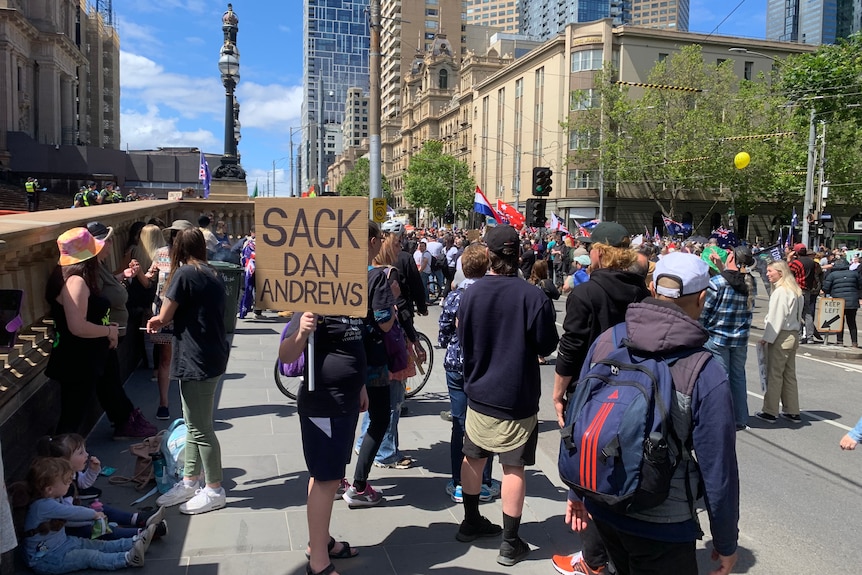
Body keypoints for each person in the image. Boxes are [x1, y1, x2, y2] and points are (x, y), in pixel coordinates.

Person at [564, 252, 739, 575]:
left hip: (604, 500)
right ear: (702, 298)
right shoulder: (704, 370)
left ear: (652, 288)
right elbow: (719, 468)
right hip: (664, 520)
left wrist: (577, 491)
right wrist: (725, 541)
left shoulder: (610, 339)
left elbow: (581, 415)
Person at [455, 225, 559, 566]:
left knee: (473, 457)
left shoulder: (470, 294)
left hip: (479, 392)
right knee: (513, 468)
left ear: (489, 255)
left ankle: (471, 521)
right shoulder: (533, 297)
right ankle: (509, 542)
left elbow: (463, 339)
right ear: (519, 255)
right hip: (517, 395)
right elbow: (547, 345)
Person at [552, 222, 649, 575]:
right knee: (625, 469)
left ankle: (592, 560)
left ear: (600, 252)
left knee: (592, 474)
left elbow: (572, 346)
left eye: (591, 247)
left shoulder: (587, 293)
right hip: (637, 392)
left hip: (593, 393)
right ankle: (611, 552)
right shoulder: (642, 291)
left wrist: (558, 392)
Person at [147, 228, 230, 515]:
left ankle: (214, 488)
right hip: (211, 353)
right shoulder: (212, 273)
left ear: (178, 248)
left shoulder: (184, 274)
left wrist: (155, 321)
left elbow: (165, 314)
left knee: (201, 427)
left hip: (197, 357)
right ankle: (190, 480)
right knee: (193, 423)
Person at [280, 310, 367, 575]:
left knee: (325, 476)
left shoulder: (351, 301)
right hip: (323, 405)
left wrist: (360, 385)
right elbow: (285, 356)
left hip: (346, 403)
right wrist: (303, 331)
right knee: (326, 480)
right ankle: (318, 562)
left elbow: (354, 346)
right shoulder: (313, 303)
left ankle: (321, 542)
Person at [45, 228, 135, 436]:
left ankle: (67, 464)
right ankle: (60, 466)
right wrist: (108, 331)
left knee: (73, 414)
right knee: (71, 419)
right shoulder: (76, 281)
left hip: (78, 357)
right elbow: (77, 326)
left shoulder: (64, 274)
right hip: (78, 359)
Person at [438, 243, 500, 503]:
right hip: (483, 365)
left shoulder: (454, 297)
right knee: (484, 424)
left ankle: (459, 481)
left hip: (456, 364)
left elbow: (443, 335)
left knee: (459, 423)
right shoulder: (491, 294)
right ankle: (483, 482)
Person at [342, 222, 398, 507]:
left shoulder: (339, 271)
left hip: (342, 355)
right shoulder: (376, 277)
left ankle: (338, 477)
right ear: (374, 241)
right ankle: (359, 486)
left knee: (346, 418)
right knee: (379, 418)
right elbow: (384, 321)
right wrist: (395, 309)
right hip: (372, 358)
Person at [86, 221, 158, 439]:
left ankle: (123, 418)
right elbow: (93, 304)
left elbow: (108, 287)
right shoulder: (89, 271)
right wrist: (108, 332)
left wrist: (123, 276)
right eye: (107, 242)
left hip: (110, 333)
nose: (110, 246)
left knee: (111, 379)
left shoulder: (99, 267)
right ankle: (124, 420)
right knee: (109, 381)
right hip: (104, 335)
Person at [23, 457, 152, 573]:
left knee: (95, 544)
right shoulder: (42, 506)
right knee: (88, 556)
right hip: (46, 559)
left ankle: (133, 542)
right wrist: (94, 515)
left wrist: (90, 521)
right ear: (49, 489)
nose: (69, 484)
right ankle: (127, 559)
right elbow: (72, 513)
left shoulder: (54, 499)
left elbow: (68, 520)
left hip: (64, 544)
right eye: (66, 481)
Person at [35, 434, 167, 541]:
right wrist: (93, 519)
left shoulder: (71, 474)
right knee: (103, 531)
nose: (86, 455)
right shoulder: (61, 489)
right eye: (80, 453)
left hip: (76, 514)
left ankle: (137, 518)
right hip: (69, 528)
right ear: (64, 461)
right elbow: (68, 518)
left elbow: (83, 484)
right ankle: (143, 533)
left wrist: (93, 470)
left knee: (103, 508)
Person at [700, 245, 754, 431]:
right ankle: (740, 417)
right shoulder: (749, 282)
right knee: (738, 377)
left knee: (721, 377)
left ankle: (722, 416)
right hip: (740, 338)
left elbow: (705, 312)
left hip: (717, 337)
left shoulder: (717, 282)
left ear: (731, 257)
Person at [147, 219, 195, 421]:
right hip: (163, 310)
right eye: (175, 234)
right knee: (166, 357)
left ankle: (189, 404)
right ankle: (164, 402)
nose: (177, 238)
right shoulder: (161, 253)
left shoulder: (193, 259)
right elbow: (151, 276)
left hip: (186, 312)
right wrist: (142, 273)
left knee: (187, 357)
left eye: (181, 234)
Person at [756, 259, 804, 424]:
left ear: (780, 273)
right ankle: (792, 410)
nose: (767, 274)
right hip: (793, 334)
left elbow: (776, 318)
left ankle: (770, 411)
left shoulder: (780, 292)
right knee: (789, 374)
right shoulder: (795, 290)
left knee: (774, 374)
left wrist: (766, 338)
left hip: (781, 336)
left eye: (770, 271)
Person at [821, 255, 862, 346]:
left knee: (839, 322)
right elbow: (860, 286)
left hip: (838, 301)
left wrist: (830, 293)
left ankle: (840, 341)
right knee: (852, 322)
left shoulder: (832, 275)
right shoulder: (855, 274)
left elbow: (826, 287)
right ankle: (854, 342)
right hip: (852, 301)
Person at [527, 259, 559, 365]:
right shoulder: (546, 282)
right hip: (546, 310)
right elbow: (557, 295)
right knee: (545, 333)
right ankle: (541, 355)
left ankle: (534, 354)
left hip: (532, 310)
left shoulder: (529, 281)